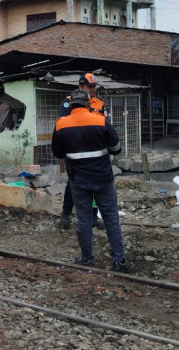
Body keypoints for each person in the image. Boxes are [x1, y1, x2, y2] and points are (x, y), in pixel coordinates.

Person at [52, 89, 129, 272]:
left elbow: (58, 153)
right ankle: (119, 262)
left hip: (78, 180)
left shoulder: (61, 124)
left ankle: (87, 260)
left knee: (83, 219)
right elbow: (116, 148)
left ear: (70, 106)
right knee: (111, 217)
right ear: (88, 104)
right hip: (103, 177)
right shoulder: (101, 120)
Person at [58, 73, 105, 230]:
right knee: (73, 183)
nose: (92, 90)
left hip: (95, 151)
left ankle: (92, 217)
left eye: (94, 87)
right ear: (81, 86)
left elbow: (104, 127)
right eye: (89, 87)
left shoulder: (99, 104)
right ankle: (66, 214)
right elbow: (63, 124)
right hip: (76, 150)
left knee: (95, 186)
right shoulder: (69, 102)